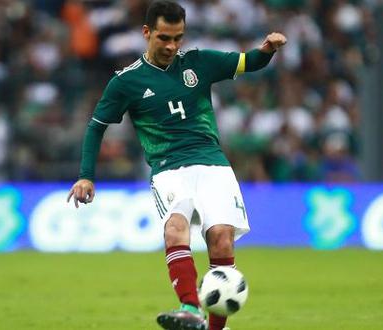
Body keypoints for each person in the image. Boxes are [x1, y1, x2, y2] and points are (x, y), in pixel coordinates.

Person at [67, 1, 287, 329]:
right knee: (175, 227)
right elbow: (96, 126)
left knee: (222, 239)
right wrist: (86, 176)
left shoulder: (199, 62)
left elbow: (248, 61)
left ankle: (214, 327)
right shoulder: (126, 82)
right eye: (164, 38)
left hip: (213, 165)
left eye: (178, 38)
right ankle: (189, 306)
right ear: (146, 33)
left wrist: (267, 49)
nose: (172, 46)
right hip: (168, 168)